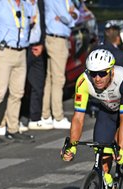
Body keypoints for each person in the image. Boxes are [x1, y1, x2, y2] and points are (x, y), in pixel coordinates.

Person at [62, 49, 123, 189]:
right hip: (107, 112)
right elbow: (78, 118)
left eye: (102, 73)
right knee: (102, 157)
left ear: (111, 71)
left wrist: (120, 148)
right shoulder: (83, 81)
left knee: (122, 142)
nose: (97, 78)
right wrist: (72, 145)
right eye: (93, 73)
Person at [0, 0, 35, 144]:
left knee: (17, 93)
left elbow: (31, 23)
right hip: (3, 51)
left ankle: (13, 128)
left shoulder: (25, 6)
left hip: (21, 52)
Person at [40, 0, 78, 130]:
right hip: (56, 39)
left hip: (60, 39)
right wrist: (69, 15)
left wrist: (69, 15)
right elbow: (68, 18)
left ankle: (46, 115)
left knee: (51, 79)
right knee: (58, 79)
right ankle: (58, 116)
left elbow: (75, 14)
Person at [26, 0, 49, 130]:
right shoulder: (22, 4)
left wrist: (42, 44)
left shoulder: (40, 3)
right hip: (23, 48)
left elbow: (44, 24)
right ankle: (13, 120)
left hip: (38, 47)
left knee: (38, 84)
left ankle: (34, 118)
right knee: (18, 87)